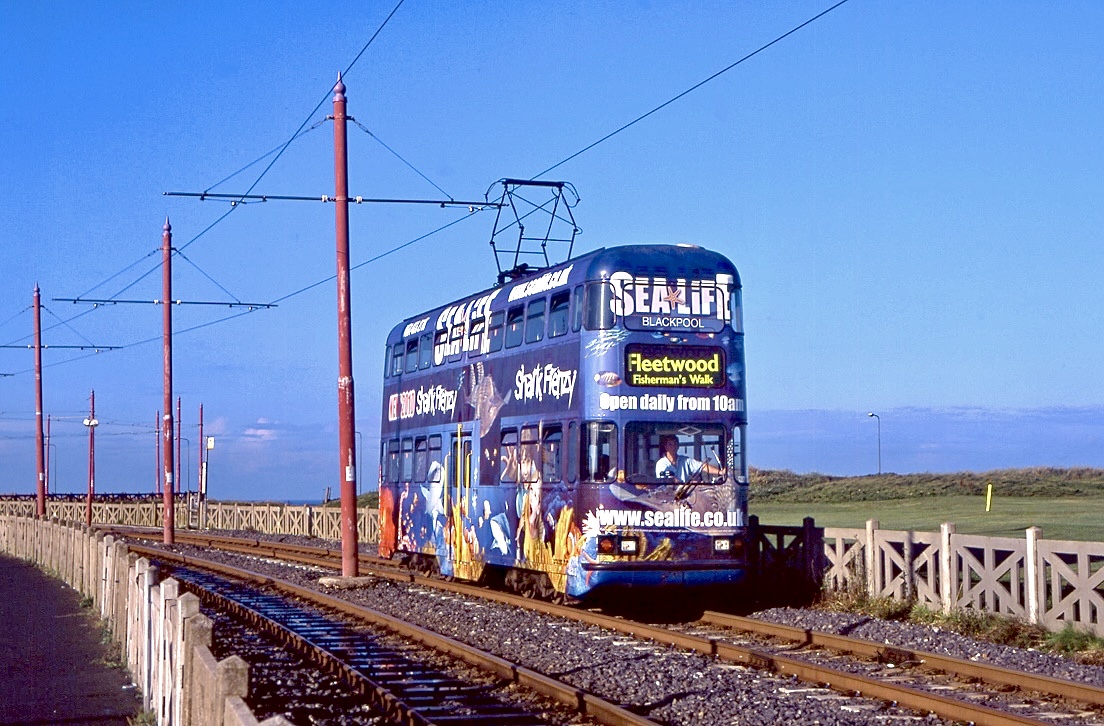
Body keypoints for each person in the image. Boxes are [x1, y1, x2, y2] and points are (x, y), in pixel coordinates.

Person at [654, 434, 724, 483]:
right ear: (666, 447)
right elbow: (670, 481)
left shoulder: (685, 460)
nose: (673, 446)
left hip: (685, 496)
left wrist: (720, 472)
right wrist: (687, 484)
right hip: (667, 496)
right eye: (670, 444)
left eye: (675, 444)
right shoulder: (661, 464)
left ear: (678, 446)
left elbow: (702, 466)